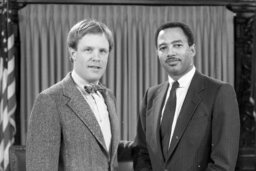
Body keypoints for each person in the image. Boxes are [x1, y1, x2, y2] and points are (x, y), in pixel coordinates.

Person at [132, 22, 240, 171]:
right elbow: (141, 153)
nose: (170, 53)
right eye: (163, 48)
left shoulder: (219, 92)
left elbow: (223, 164)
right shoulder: (150, 96)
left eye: (177, 45)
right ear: (157, 53)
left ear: (192, 49)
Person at [26, 19, 131, 171]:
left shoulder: (108, 96)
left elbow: (103, 146)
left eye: (103, 51)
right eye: (88, 50)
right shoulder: (50, 100)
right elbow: (40, 166)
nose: (97, 57)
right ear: (73, 53)